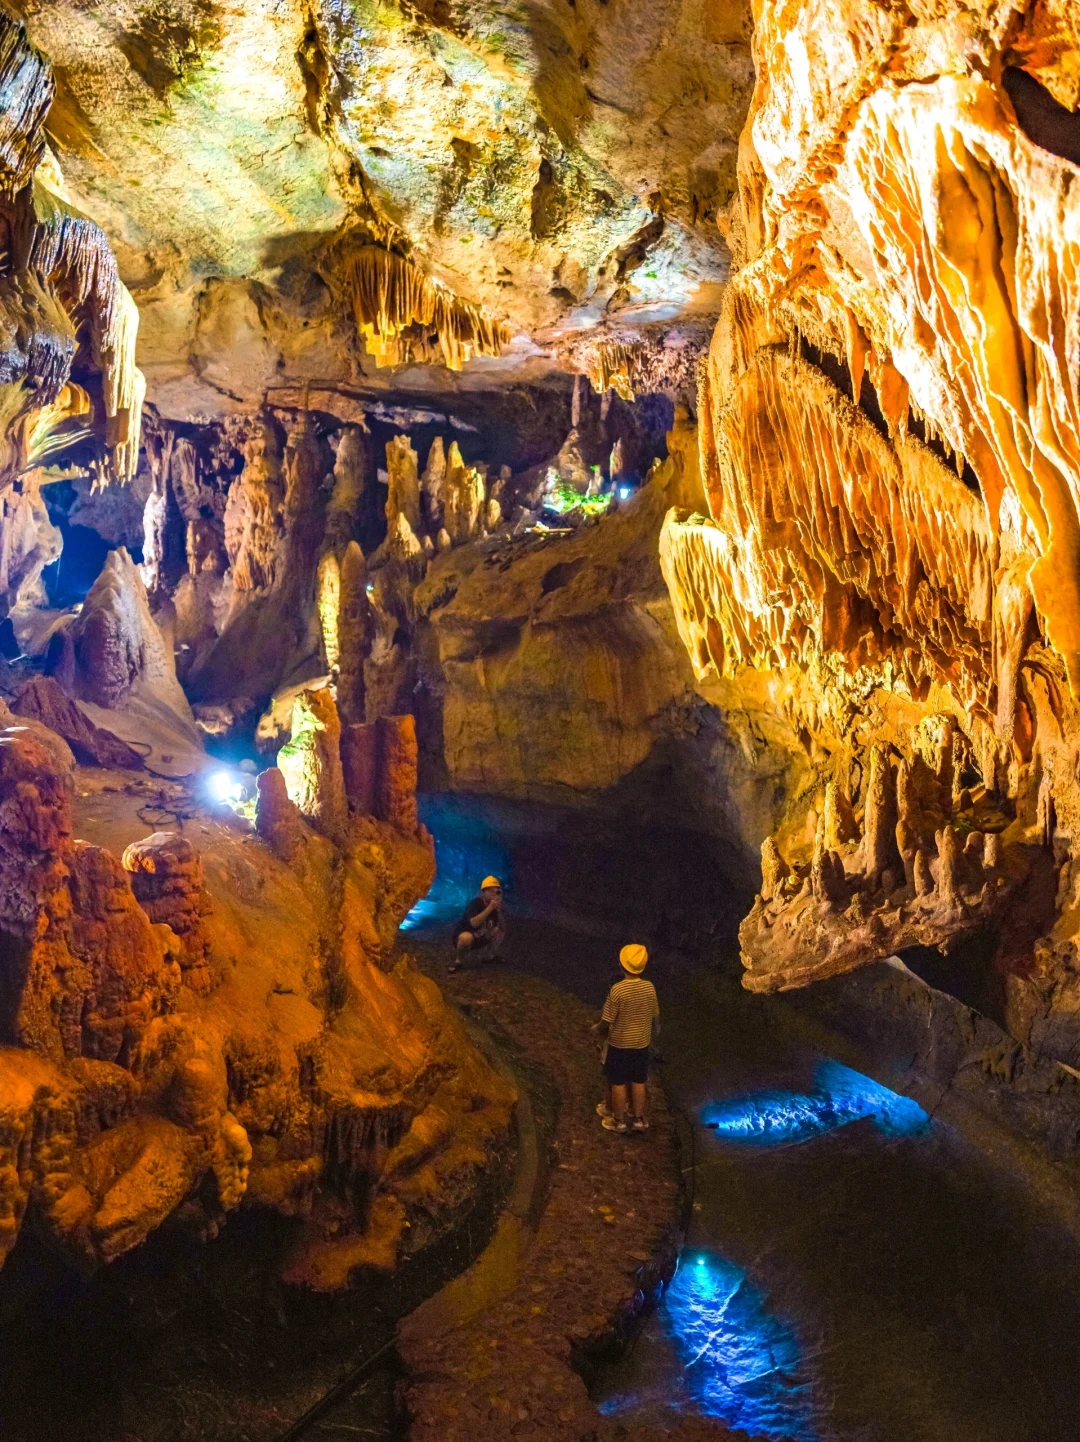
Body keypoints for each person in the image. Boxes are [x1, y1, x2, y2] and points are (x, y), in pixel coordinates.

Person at [591, 943, 659, 1135]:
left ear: (621, 965)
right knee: (639, 1081)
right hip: (641, 1044)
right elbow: (655, 1015)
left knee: (618, 1082)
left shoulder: (618, 990)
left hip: (619, 1044)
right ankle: (638, 1119)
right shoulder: (649, 987)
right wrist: (655, 1032)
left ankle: (618, 1121)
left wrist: (597, 1028)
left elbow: (607, 1020)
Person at [448, 876, 506, 973]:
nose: (493, 894)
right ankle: (458, 961)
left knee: (498, 931)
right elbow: (474, 923)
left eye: (496, 892)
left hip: (480, 936)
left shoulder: (495, 907)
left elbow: (502, 927)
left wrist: (499, 911)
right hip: (465, 938)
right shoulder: (475, 904)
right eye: (490, 891)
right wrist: (490, 908)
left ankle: (489, 956)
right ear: (483, 893)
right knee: (466, 938)